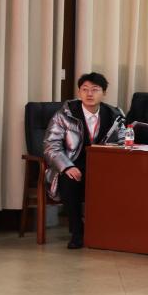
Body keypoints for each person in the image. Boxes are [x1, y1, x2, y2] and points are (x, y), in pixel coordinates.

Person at [43, 71, 129, 249]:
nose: (89, 94)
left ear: (104, 93)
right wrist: (66, 166)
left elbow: (123, 141)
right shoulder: (65, 114)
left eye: (95, 89)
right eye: (85, 89)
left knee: (124, 181)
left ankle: (110, 230)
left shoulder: (114, 114)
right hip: (72, 163)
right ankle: (77, 232)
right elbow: (51, 145)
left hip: (102, 166)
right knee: (70, 181)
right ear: (79, 92)